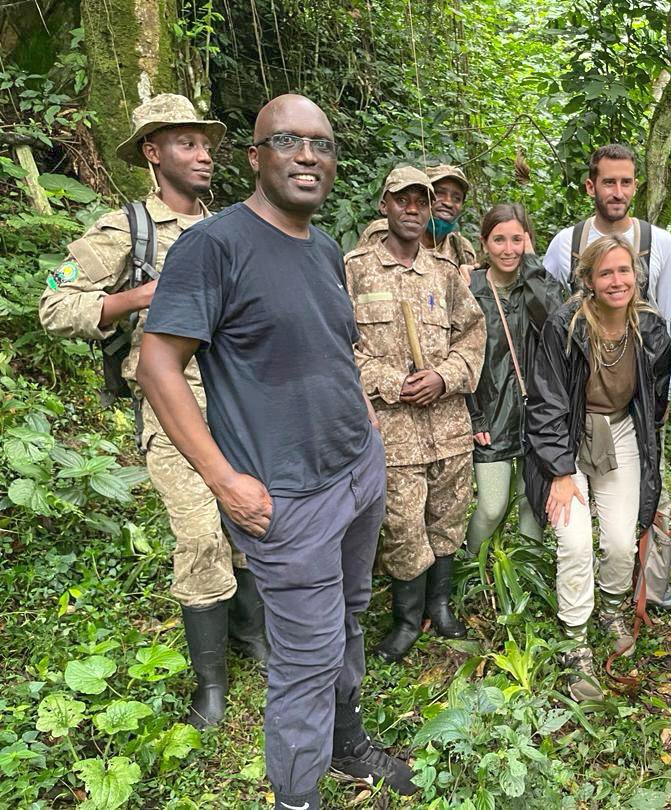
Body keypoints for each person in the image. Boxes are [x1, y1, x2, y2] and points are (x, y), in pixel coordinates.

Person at [136, 95, 416, 809]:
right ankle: (297, 796)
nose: (308, 155)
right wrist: (223, 480)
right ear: (255, 157)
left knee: (349, 618)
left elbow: (330, 346)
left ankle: (346, 742)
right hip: (285, 498)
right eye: (288, 141)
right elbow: (158, 365)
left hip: (356, 471)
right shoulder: (215, 245)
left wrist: (366, 425)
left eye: (322, 144)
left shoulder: (323, 248)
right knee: (304, 658)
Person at [38, 93, 269, 729]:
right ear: (152, 152)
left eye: (206, 144)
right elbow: (54, 306)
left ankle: (253, 638)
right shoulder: (125, 231)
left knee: (249, 525)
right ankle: (211, 683)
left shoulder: (232, 227)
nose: (204, 155)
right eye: (186, 143)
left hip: (241, 404)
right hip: (173, 408)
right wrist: (136, 297)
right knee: (198, 535)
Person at [345, 166, 486, 662]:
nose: (412, 209)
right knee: (403, 526)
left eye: (420, 201)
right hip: (394, 432)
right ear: (384, 205)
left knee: (447, 518)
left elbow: (474, 335)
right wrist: (390, 381)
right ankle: (406, 620)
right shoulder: (356, 269)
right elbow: (339, 346)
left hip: (448, 428)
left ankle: (439, 606)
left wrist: (444, 377)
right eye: (401, 200)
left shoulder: (444, 273)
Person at [525, 235, 671, 701]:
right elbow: (546, 401)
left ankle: (610, 608)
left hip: (621, 432)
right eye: (605, 272)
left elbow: (655, 401)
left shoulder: (650, 327)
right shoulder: (566, 325)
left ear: (636, 275)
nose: (617, 281)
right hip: (569, 433)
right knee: (573, 541)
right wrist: (559, 471)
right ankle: (574, 638)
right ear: (588, 279)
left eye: (624, 270)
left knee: (620, 541)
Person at [465, 203, 566, 554]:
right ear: (484, 243)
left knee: (531, 503)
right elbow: (459, 357)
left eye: (517, 239)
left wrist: (533, 266)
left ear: (528, 241)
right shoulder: (469, 287)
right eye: (499, 240)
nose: (508, 249)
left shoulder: (538, 285)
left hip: (538, 414)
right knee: (492, 507)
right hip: (491, 415)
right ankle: (470, 569)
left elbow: (558, 325)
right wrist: (474, 416)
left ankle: (528, 573)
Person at [542, 144, 671, 321]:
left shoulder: (661, 242)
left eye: (626, 183)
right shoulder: (566, 242)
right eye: (609, 182)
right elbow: (542, 307)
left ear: (635, 186)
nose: (618, 193)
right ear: (590, 187)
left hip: (646, 339)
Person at [356, 164, 476, 277]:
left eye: (457, 198)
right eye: (439, 193)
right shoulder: (381, 233)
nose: (448, 203)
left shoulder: (460, 249)